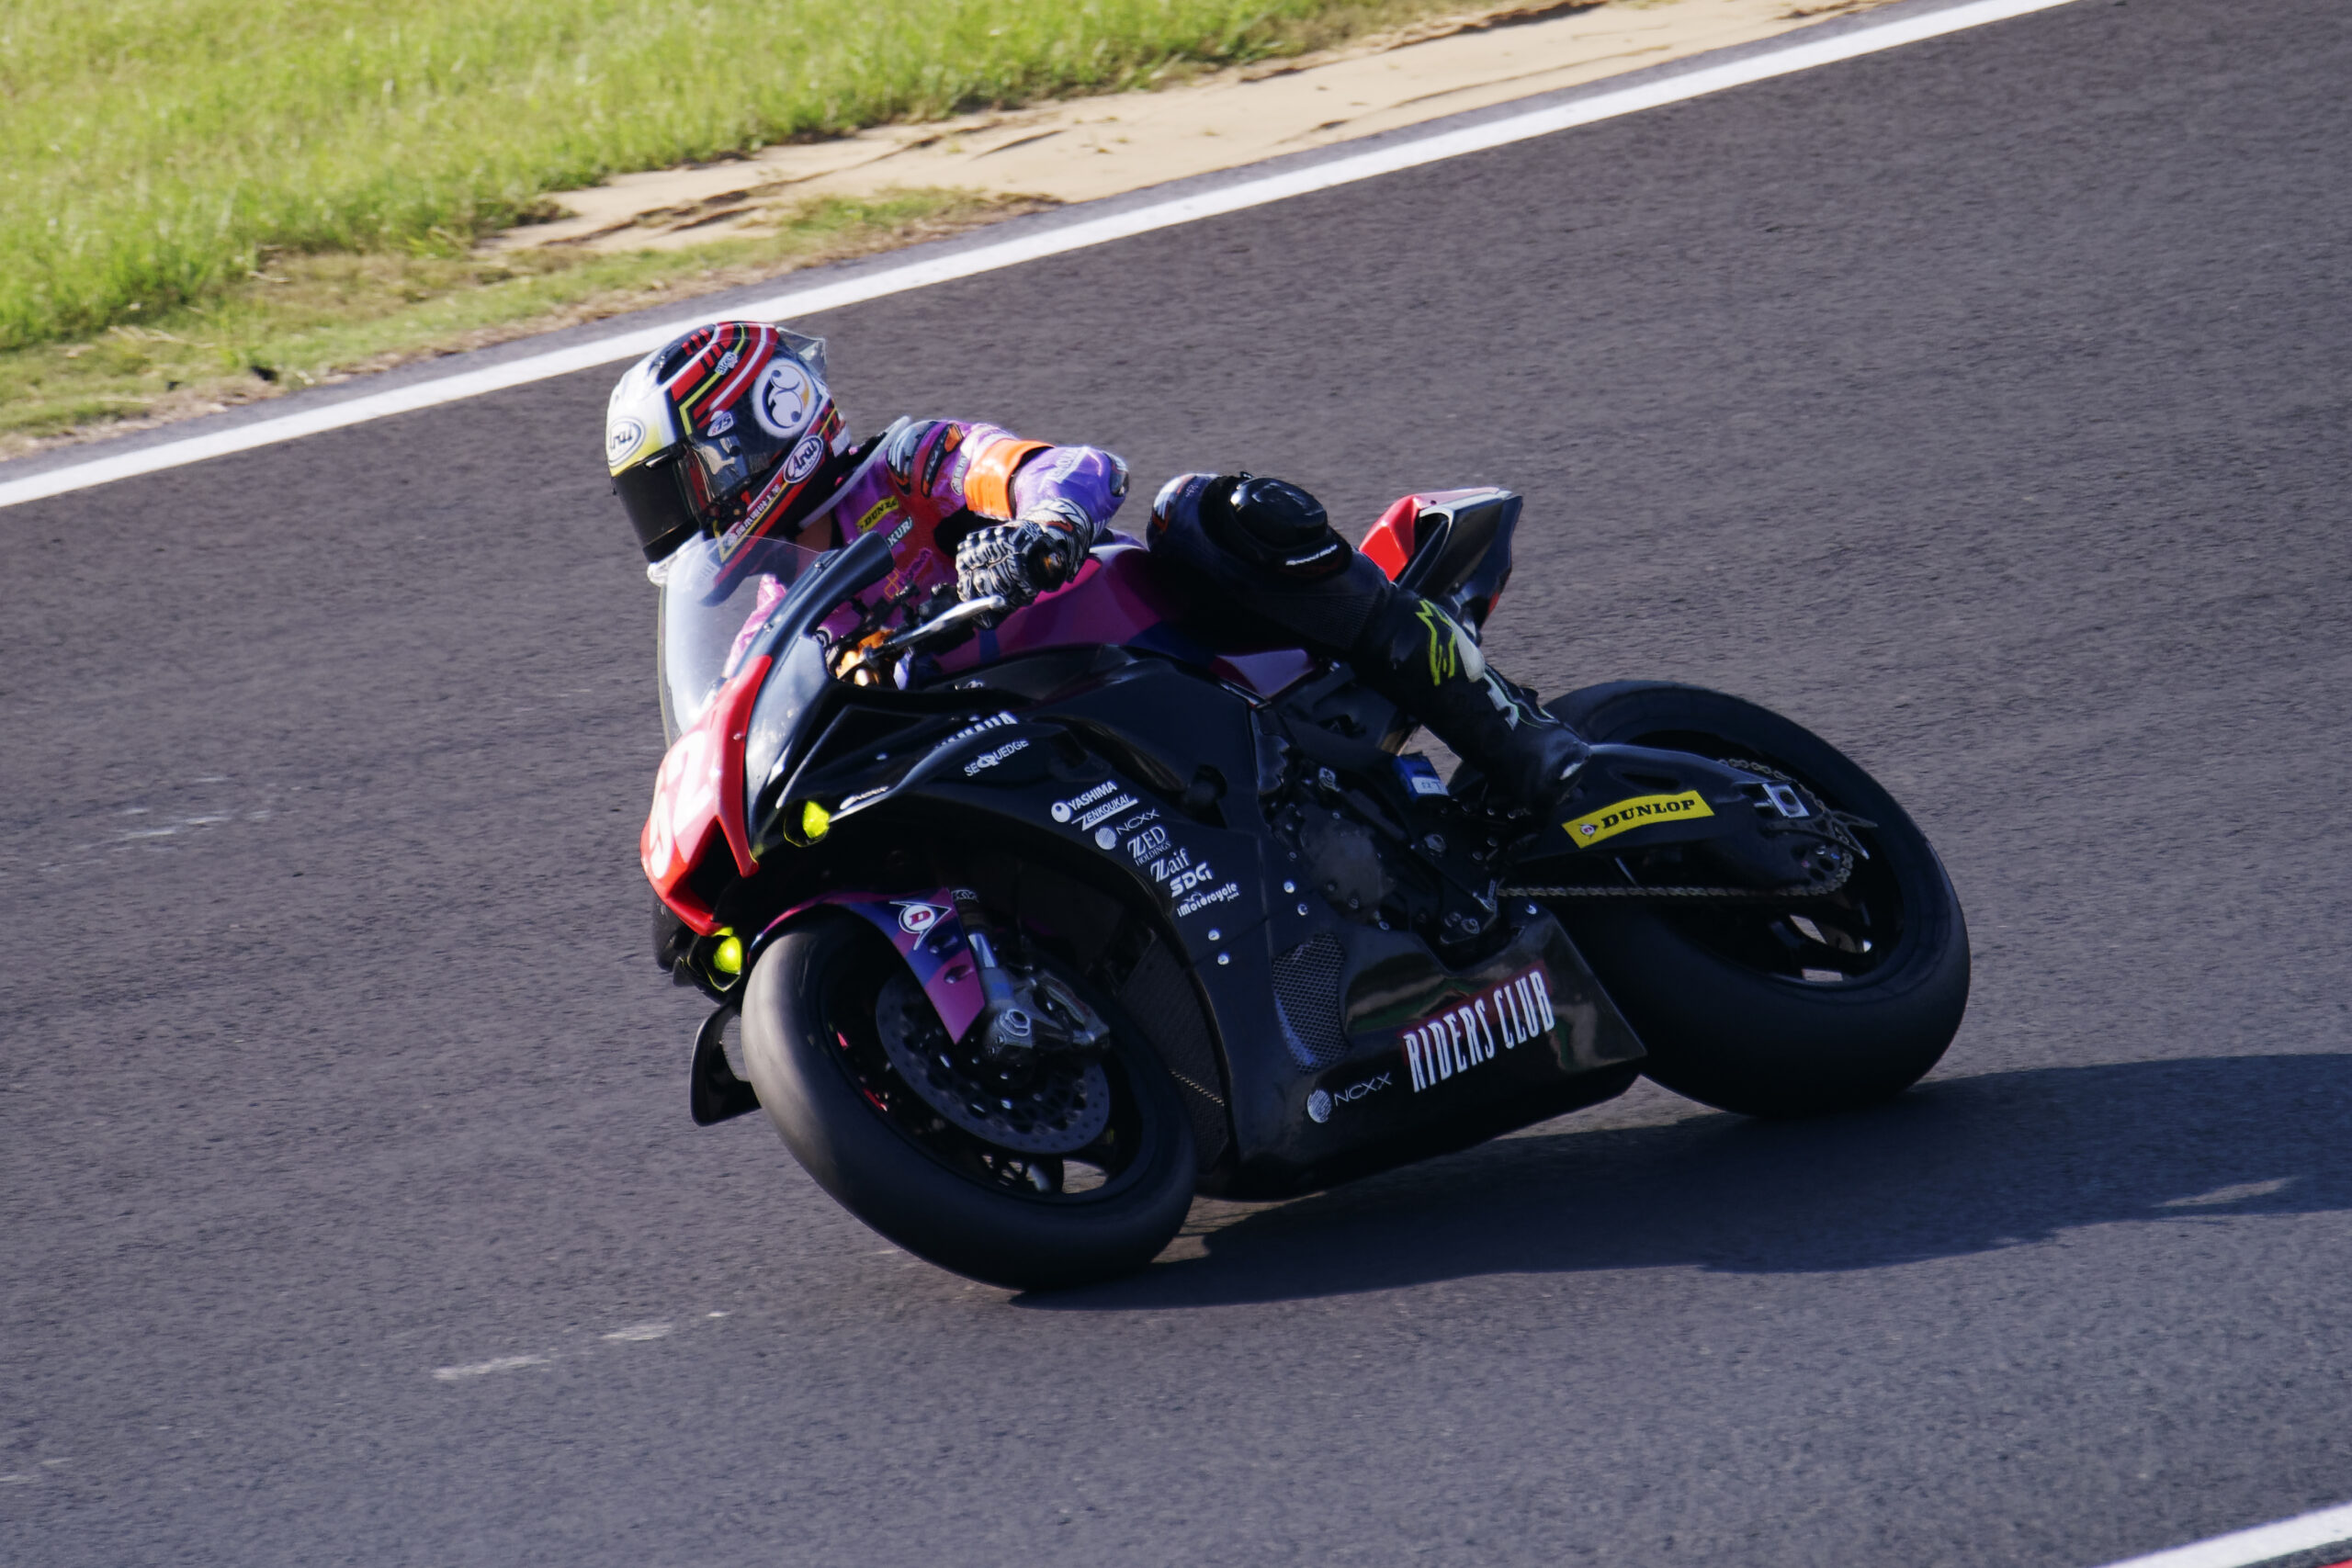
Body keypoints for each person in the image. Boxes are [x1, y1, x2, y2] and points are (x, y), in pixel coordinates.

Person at [606, 319, 1584, 813]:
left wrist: (1042, 528)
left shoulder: (904, 466)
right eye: (657, 503)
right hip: (1016, 758)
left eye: (683, 485)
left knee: (1208, 511)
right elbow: (741, 723)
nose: (680, 521)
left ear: (767, 419)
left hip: (1147, 657)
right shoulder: (779, 616)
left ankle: (1523, 743)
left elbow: (1062, 467)